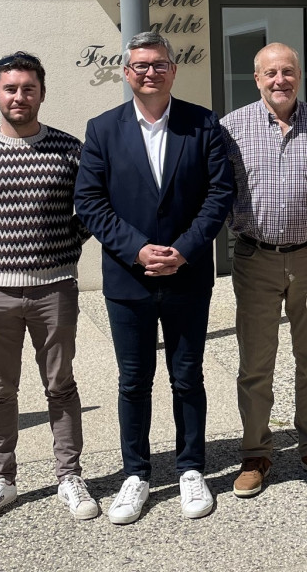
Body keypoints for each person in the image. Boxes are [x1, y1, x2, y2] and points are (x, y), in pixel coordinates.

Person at [74, 32, 233, 524]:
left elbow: (219, 194)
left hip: (187, 276)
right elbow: (90, 202)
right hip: (129, 279)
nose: (149, 72)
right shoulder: (102, 129)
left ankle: (190, 468)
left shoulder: (202, 124)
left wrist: (184, 250)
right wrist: (138, 249)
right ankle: (136, 474)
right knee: (134, 380)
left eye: (158, 64)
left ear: (172, 70)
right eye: (140, 65)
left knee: (187, 377)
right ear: (127, 73)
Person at [0, 51, 100, 525]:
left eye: (28, 88)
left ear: (42, 94)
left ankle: (69, 476)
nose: (19, 96)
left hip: (54, 288)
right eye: (10, 88)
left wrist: (60, 249)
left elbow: (88, 211)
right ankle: (0, 480)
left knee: (61, 384)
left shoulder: (71, 151)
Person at [220, 42, 307, 497]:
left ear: (299, 75)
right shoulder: (231, 127)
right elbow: (224, 192)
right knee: (256, 362)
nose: (280, 80)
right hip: (256, 257)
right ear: (257, 78)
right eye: (270, 73)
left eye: (288, 71)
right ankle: (256, 452)